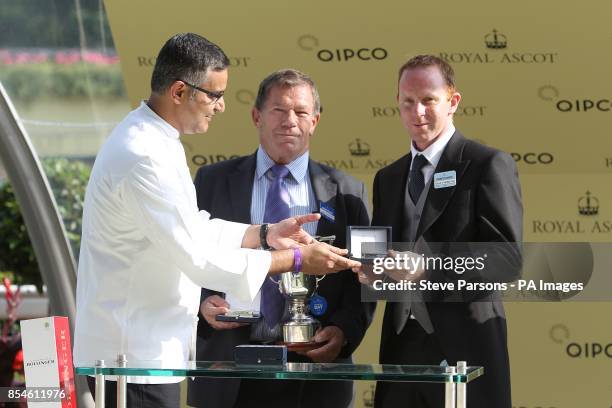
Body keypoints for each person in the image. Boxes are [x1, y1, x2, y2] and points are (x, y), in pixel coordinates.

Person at [72, 34, 359, 408]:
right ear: (179, 92)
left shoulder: (155, 141)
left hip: (144, 352)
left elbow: (194, 227)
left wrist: (265, 233)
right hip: (133, 359)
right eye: (214, 95)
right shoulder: (144, 154)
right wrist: (297, 260)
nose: (221, 107)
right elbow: (197, 257)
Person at [187, 69, 375, 408]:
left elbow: (365, 277)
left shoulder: (348, 193)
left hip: (316, 375)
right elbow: (187, 257)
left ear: (315, 121)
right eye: (279, 110)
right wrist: (201, 304)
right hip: (228, 372)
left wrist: (344, 332)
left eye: (301, 112)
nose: (290, 121)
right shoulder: (211, 181)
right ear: (257, 116)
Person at [364, 55, 522, 408]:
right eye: (408, 102)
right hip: (401, 349)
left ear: (453, 102)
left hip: (467, 348)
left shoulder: (487, 164)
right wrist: (371, 272)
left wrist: (426, 268)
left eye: (428, 100)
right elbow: (383, 258)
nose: (417, 112)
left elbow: (507, 259)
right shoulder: (388, 178)